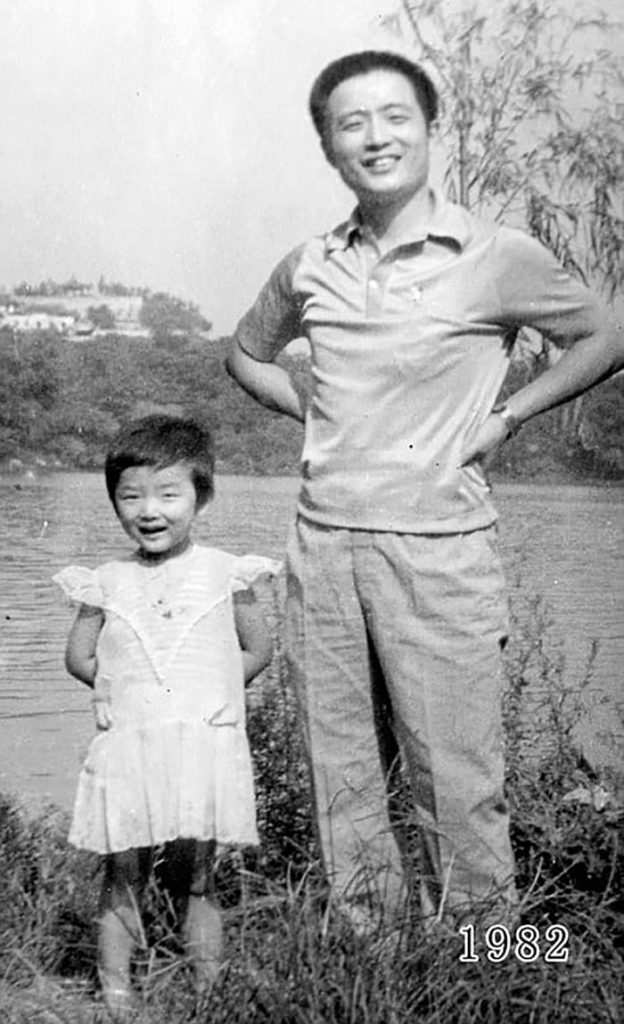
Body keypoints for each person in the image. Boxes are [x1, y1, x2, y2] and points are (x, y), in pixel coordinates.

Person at [226, 50, 624, 933]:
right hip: (322, 549)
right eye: (352, 123)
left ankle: (498, 968)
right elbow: (246, 352)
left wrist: (511, 415)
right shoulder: (310, 264)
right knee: (345, 776)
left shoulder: (494, 255)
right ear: (329, 147)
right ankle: (375, 963)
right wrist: (315, 410)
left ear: (430, 128)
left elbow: (606, 331)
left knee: (457, 780)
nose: (377, 138)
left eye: (396, 116)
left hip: (439, 552)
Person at [53, 414, 279, 1017]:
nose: (149, 510)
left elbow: (257, 648)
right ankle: (117, 993)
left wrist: (215, 695)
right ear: (115, 503)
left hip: (201, 744)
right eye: (131, 496)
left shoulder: (226, 573)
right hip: (131, 744)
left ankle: (209, 988)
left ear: (200, 497)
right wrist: (115, 687)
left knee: (197, 875)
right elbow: (79, 655)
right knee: (122, 873)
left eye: (168, 494)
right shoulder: (105, 581)